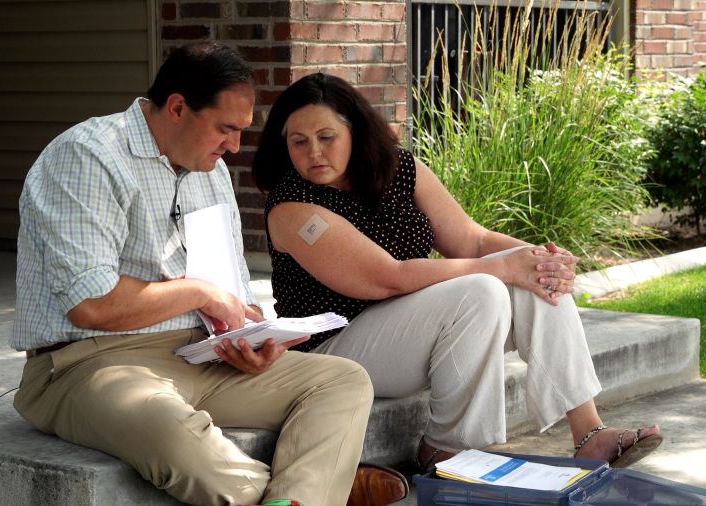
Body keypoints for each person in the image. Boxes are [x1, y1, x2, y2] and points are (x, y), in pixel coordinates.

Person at [11, 45, 407, 506]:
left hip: (200, 354)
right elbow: (93, 304)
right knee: (170, 432)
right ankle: (319, 491)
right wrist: (199, 292)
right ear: (178, 108)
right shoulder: (88, 156)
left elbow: (234, 290)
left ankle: (304, 496)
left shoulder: (211, 172)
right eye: (226, 128)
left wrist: (252, 335)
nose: (234, 146)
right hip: (88, 363)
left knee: (343, 380)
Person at [251, 72, 664, 472]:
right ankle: (446, 449)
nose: (314, 153)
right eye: (298, 142)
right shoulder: (293, 205)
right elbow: (386, 277)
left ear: (354, 132)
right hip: (334, 349)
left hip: (414, 334)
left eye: (327, 138)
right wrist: (503, 267)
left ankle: (589, 431)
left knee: (533, 274)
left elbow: (473, 240)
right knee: (485, 288)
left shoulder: (399, 169)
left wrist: (541, 258)